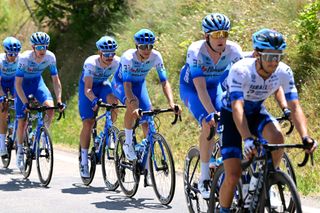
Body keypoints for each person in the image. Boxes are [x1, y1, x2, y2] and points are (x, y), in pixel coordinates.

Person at [218, 28, 318, 212]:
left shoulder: (284, 72)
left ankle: (266, 178)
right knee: (233, 175)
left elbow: (294, 106)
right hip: (231, 115)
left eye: (278, 56)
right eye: (269, 56)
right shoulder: (241, 70)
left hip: (256, 110)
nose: (274, 61)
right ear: (257, 54)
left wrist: (305, 137)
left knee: (277, 138)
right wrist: (247, 138)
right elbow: (237, 107)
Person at [179, 13, 243, 199]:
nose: (221, 38)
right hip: (193, 89)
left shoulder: (234, 50)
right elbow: (200, 88)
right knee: (209, 123)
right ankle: (204, 177)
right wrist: (212, 114)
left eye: (224, 33)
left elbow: (241, 79)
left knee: (230, 120)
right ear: (206, 36)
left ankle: (225, 167)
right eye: (216, 34)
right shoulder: (196, 51)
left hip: (215, 87)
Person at [112, 28, 181, 161]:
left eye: (150, 46)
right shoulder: (128, 58)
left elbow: (164, 81)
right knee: (133, 105)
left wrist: (171, 103)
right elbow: (127, 85)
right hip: (121, 84)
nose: (146, 50)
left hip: (139, 84)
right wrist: (132, 103)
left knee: (148, 118)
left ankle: (147, 160)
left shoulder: (156, 56)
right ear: (136, 46)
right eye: (143, 46)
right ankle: (127, 142)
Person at [15, 32, 65, 170]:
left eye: (45, 46)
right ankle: (19, 150)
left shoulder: (50, 57)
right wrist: (26, 102)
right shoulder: (24, 58)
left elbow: (56, 80)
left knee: (50, 108)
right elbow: (18, 84)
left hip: (37, 83)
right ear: (33, 47)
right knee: (22, 121)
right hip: (22, 85)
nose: (42, 50)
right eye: (39, 47)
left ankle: (44, 136)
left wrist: (59, 100)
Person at [78, 36, 120, 178]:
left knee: (113, 102)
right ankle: (84, 161)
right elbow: (88, 90)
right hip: (88, 88)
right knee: (88, 123)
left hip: (103, 85)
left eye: (112, 53)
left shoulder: (117, 62)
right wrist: (94, 100)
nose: (110, 57)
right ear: (99, 52)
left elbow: (120, 82)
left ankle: (110, 133)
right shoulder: (91, 63)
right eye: (106, 54)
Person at [0, 37, 21, 156]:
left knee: (22, 104)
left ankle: (18, 132)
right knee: (3, 108)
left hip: (14, 82)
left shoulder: (21, 59)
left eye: (15, 54)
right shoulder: (0, 61)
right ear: (5, 52)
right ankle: (2, 145)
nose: (13, 56)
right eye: (11, 54)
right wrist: (2, 96)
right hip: (2, 83)